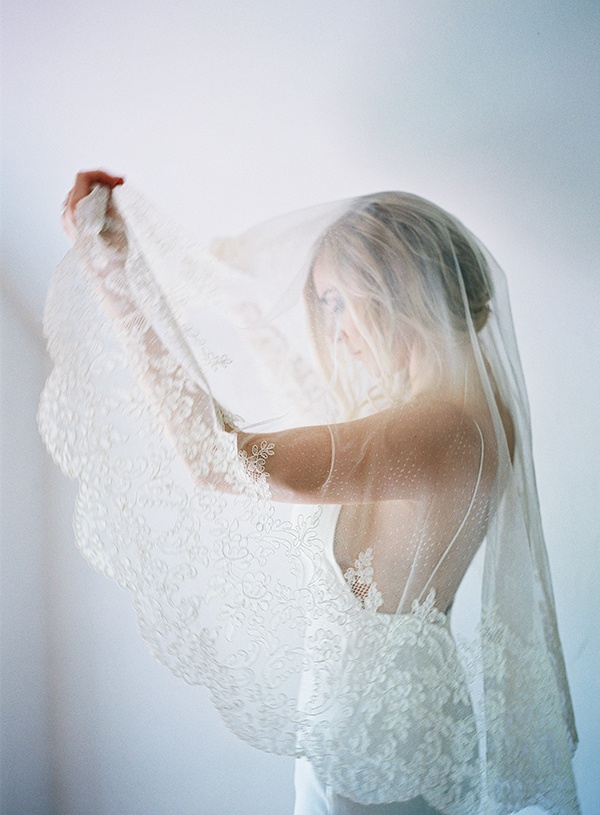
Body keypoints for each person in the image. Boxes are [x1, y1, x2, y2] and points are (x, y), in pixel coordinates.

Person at [40, 171, 580, 814]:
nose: (336, 331)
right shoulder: (461, 416)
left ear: (396, 290)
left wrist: (112, 278)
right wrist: (243, 314)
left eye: (336, 302)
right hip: (380, 726)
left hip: (377, 747)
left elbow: (218, 458)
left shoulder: (439, 429)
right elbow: (315, 409)